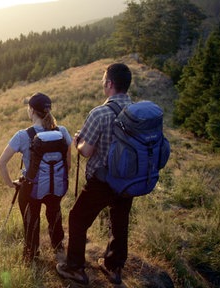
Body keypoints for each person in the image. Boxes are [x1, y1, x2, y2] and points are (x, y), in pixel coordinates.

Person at [56, 63, 133, 285]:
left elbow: (87, 152)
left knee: (77, 218)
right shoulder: (136, 112)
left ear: (109, 83)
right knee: (120, 220)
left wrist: (78, 142)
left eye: (103, 81)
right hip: (129, 179)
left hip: (103, 181)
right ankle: (114, 267)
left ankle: (75, 268)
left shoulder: (99, 113)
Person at [0, 92, 72, 263]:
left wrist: (11, 184)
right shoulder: (62, 131)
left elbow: (1, 163)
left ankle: (31, 255)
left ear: (31, 110)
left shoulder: (23, 135)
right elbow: (68, 164)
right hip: (56, 186)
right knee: (54, 213)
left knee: (31, 221)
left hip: (31, 188)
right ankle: (58, 248)